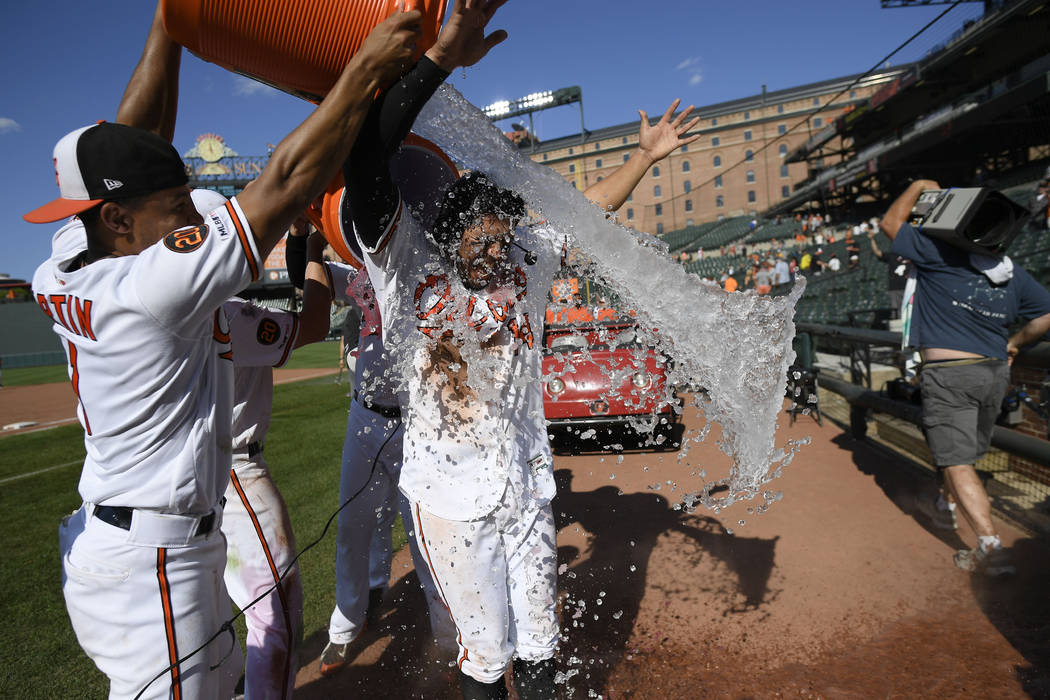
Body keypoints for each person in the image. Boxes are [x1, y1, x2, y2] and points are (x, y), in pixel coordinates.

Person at [26, 4, 418, 697]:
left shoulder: (67, 258)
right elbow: (288, 179)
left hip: (141, 542)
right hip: (151, 562)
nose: (186, 218)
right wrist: (365, 70)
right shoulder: (150, 287)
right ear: (116, 218)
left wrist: (167, 24)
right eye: (175, 206)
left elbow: (134, 145)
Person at [339, 2, 701, 695]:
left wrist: (645, 157)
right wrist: (437, 59)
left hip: (524, 484)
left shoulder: (524, 261)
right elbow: (366, 154)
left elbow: (587, 210)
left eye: (505, 239)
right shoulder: (406, 265)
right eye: (483, 243)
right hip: (449, 499)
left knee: (539, 645)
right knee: (485, 654)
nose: (498, 254)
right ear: (450, 237)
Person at [880, 179, 1050, 576]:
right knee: (966, 457)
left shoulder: (940, 252)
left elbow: (891, 223)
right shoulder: (1012, 273)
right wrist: (1015, 342)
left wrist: (920, 185)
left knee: (956, 461)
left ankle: (989, 547)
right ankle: (946, 505)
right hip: (993, 372)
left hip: (951, 374)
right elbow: (1045, 316)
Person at [869, 227, 911, 318]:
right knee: (897, 313)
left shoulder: (910, 255)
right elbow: (877, 252)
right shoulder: (891, 256)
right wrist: (872, 239)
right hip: (895, 288)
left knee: (909, 311)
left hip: (908, 288)